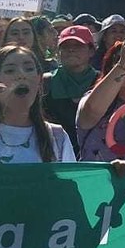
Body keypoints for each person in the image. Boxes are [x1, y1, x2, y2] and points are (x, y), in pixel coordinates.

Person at [76, 34, 125, 163]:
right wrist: (123, 64)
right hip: (98, 180)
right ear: (109, 71)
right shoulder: (91, 98)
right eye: (120, 60)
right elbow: (91, 110)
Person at [42, 25, 100, 156]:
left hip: (94, 158)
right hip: (55, 155)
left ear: (91, 51)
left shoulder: (102, 82)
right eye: (66, 46)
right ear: (58, 52)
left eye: (78, 46)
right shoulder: (44, 83)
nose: (71, 50)